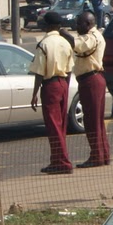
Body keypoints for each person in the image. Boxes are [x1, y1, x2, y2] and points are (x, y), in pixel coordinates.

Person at [29, 11, 75, 174]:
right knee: (61, 123)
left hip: (50, 85)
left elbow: (39, 72)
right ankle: (56, 159)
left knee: (53, 124)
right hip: (63, 82)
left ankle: (62, 161)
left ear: (48, 26)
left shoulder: (45, 44)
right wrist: (65, 88)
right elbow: (69, 69)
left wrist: (34, 93)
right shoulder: (65, 43)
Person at [65, 11, 109, 168]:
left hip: (92, 79)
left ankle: (96, 155)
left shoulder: (93, 37)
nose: (77, 27)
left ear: (88, 24)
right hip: (90, 79)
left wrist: (64, 33)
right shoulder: (91, 35)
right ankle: (103, 154)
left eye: (79, 23)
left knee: (92, 120)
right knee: (96, 119)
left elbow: (80, 46)